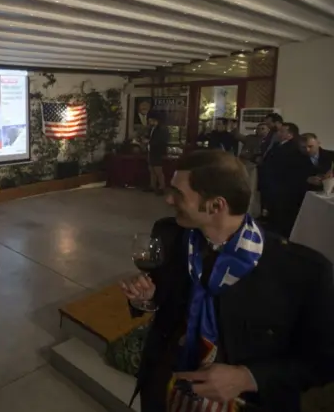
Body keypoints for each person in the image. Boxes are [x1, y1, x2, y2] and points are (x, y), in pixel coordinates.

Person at [121, 150, 334, 412]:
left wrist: (248, 377)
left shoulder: (302, 270)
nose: (167, 199)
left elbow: (323, 361)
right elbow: (163, 301)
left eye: (178, 194)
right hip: (166, 392)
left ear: (216, 205)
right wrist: (146, 299)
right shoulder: (170, 234)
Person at [263, 122, 305, 237]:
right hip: (272, 183)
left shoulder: (294, 148)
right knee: (273, 212)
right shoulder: (277, 145)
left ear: (290, 134)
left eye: (282, 131)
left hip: (283, 186)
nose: (278, 133)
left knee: (280, 215)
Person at [146, 112, 169, 195]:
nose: (148, 121)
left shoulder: (162, 129)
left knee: (158, 170)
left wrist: (150, 142)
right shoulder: (153, 128)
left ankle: (162, 187)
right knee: (151, 169)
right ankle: (152, 186)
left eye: (150, 120)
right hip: (151, 151)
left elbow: (161, 141)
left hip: (157, 152)